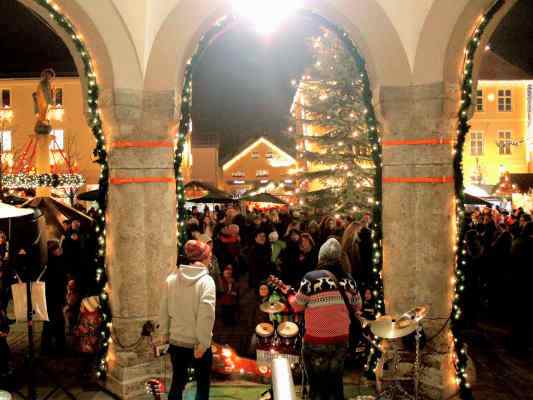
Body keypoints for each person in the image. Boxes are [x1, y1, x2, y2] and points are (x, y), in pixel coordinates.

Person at [276, 238, 361, 400]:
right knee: (335, 383)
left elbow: (297, 306)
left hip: (316, 341)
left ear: (320, 257)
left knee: (317, 386)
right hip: (341, 340)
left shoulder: (311, 278)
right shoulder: (349, 280)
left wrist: (288, 293)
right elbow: (357, 306)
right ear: (338, 258)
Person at [159, 240, 216, 400]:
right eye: (209, 256)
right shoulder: (206, 282)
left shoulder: (172, 279)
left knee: (177, 381)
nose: (210, 259)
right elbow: (206, 315)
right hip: (197, 344)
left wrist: (164, 334)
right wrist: (203, 343)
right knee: (202, 385)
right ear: (202, 258)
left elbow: (163, 309)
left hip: (176, 341)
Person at [41, 241, 67, 355]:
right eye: (58, 248)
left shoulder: (50, 262)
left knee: (50, 322)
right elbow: (59, 280)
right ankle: (57, 347)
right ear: (53, 250)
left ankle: (48, 346)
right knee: (56, 322)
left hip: (51, 296)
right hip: (54, 296)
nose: (60, 250)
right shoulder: (55, 263)